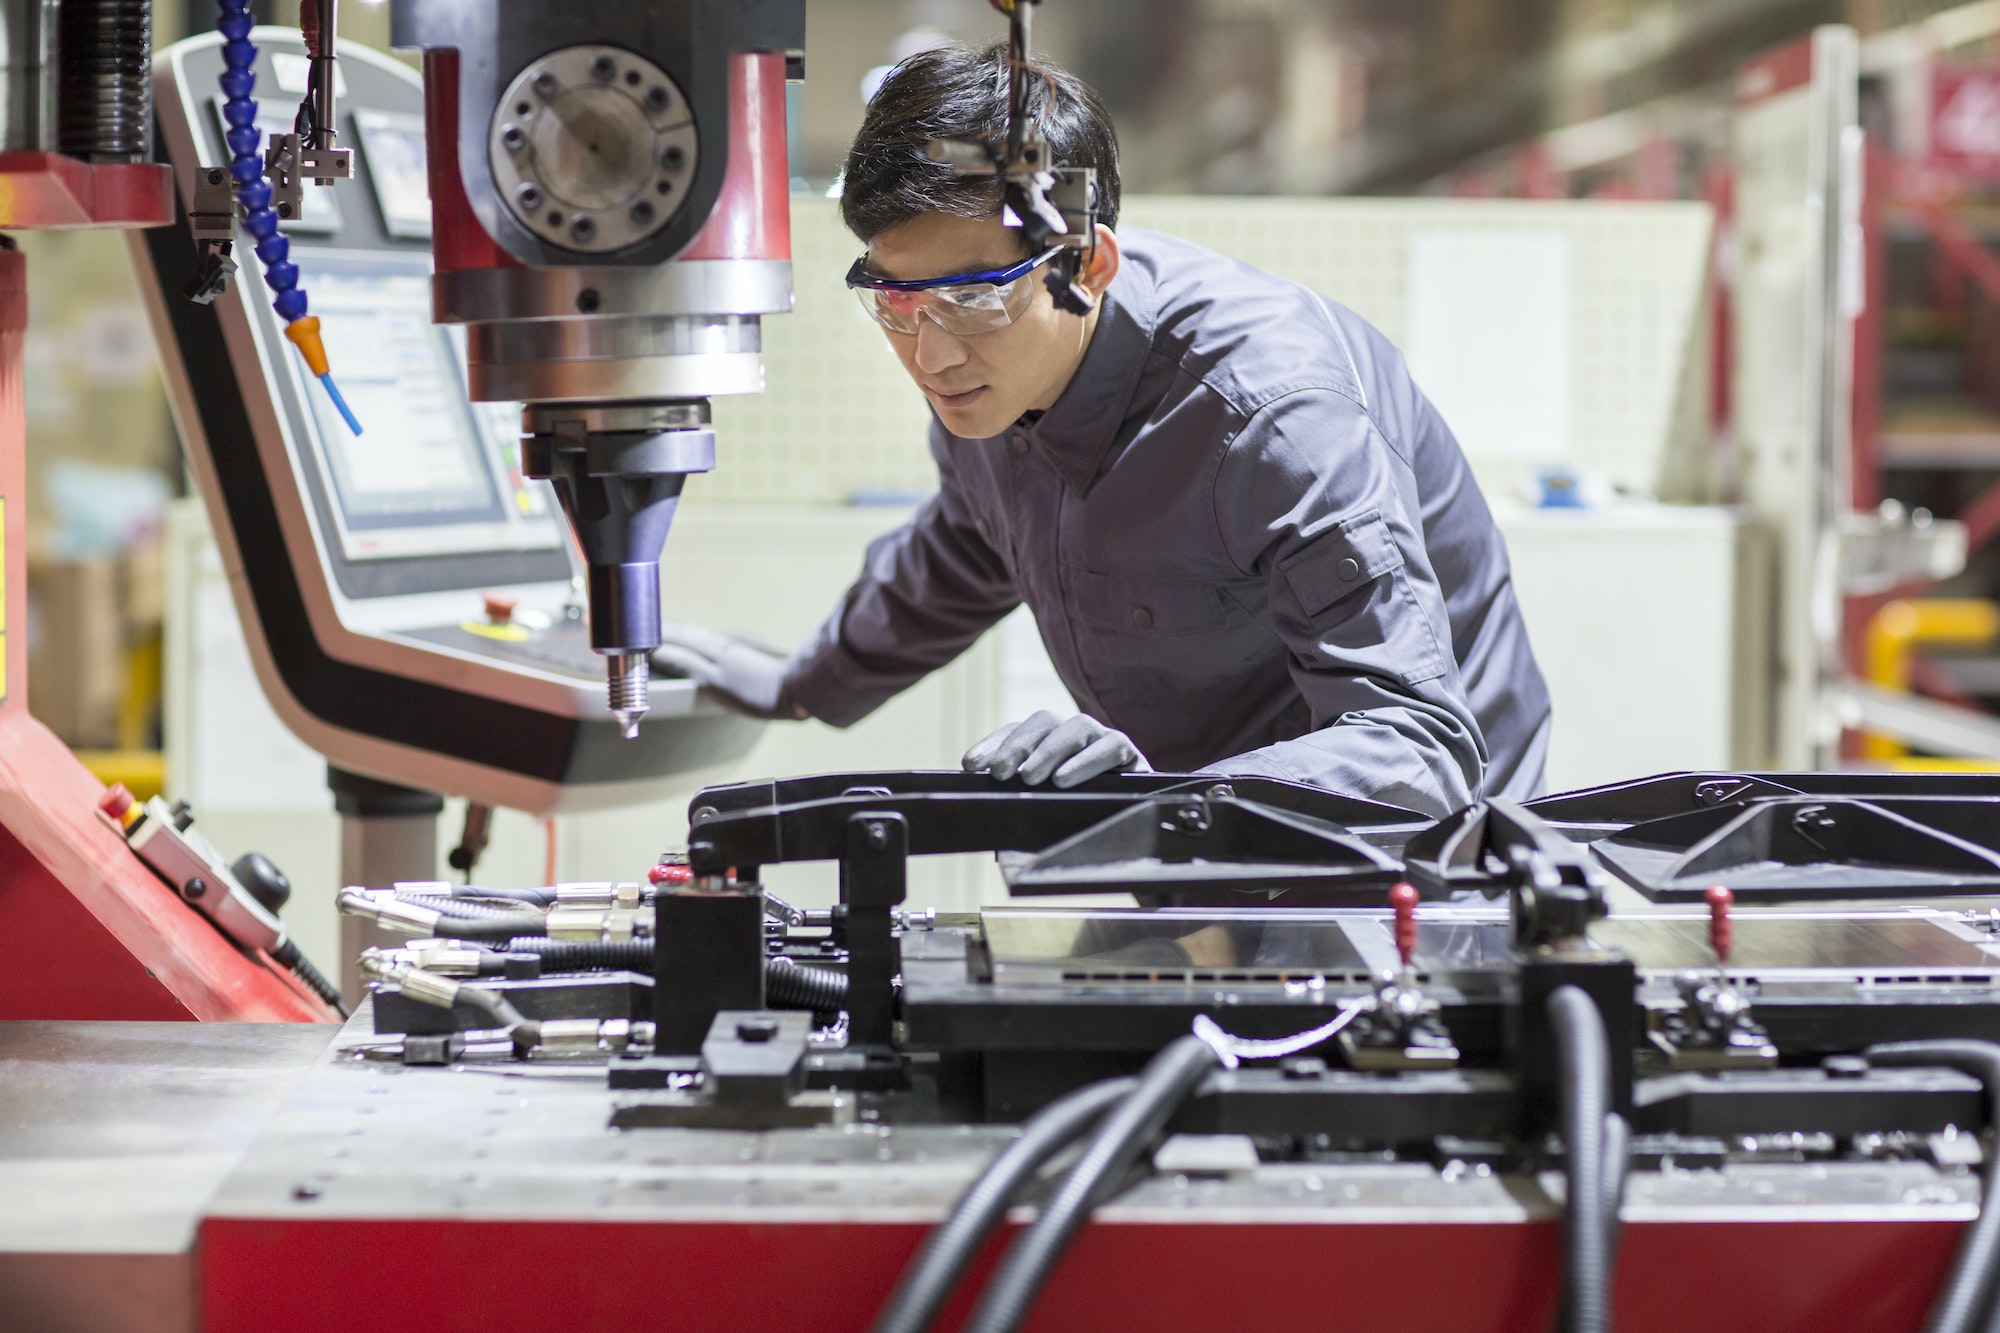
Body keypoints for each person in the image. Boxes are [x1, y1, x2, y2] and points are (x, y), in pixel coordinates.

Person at [654, 44, 1550, 818]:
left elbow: (1416, 746)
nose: (929, 356)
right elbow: (966, 546)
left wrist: (1158, 798)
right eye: (892, 300)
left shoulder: (1275, 419)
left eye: (972, 298)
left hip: (1418, 862)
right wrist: (801, 684)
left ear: (1090, 265)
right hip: (1201, 828)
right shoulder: (991, 385)